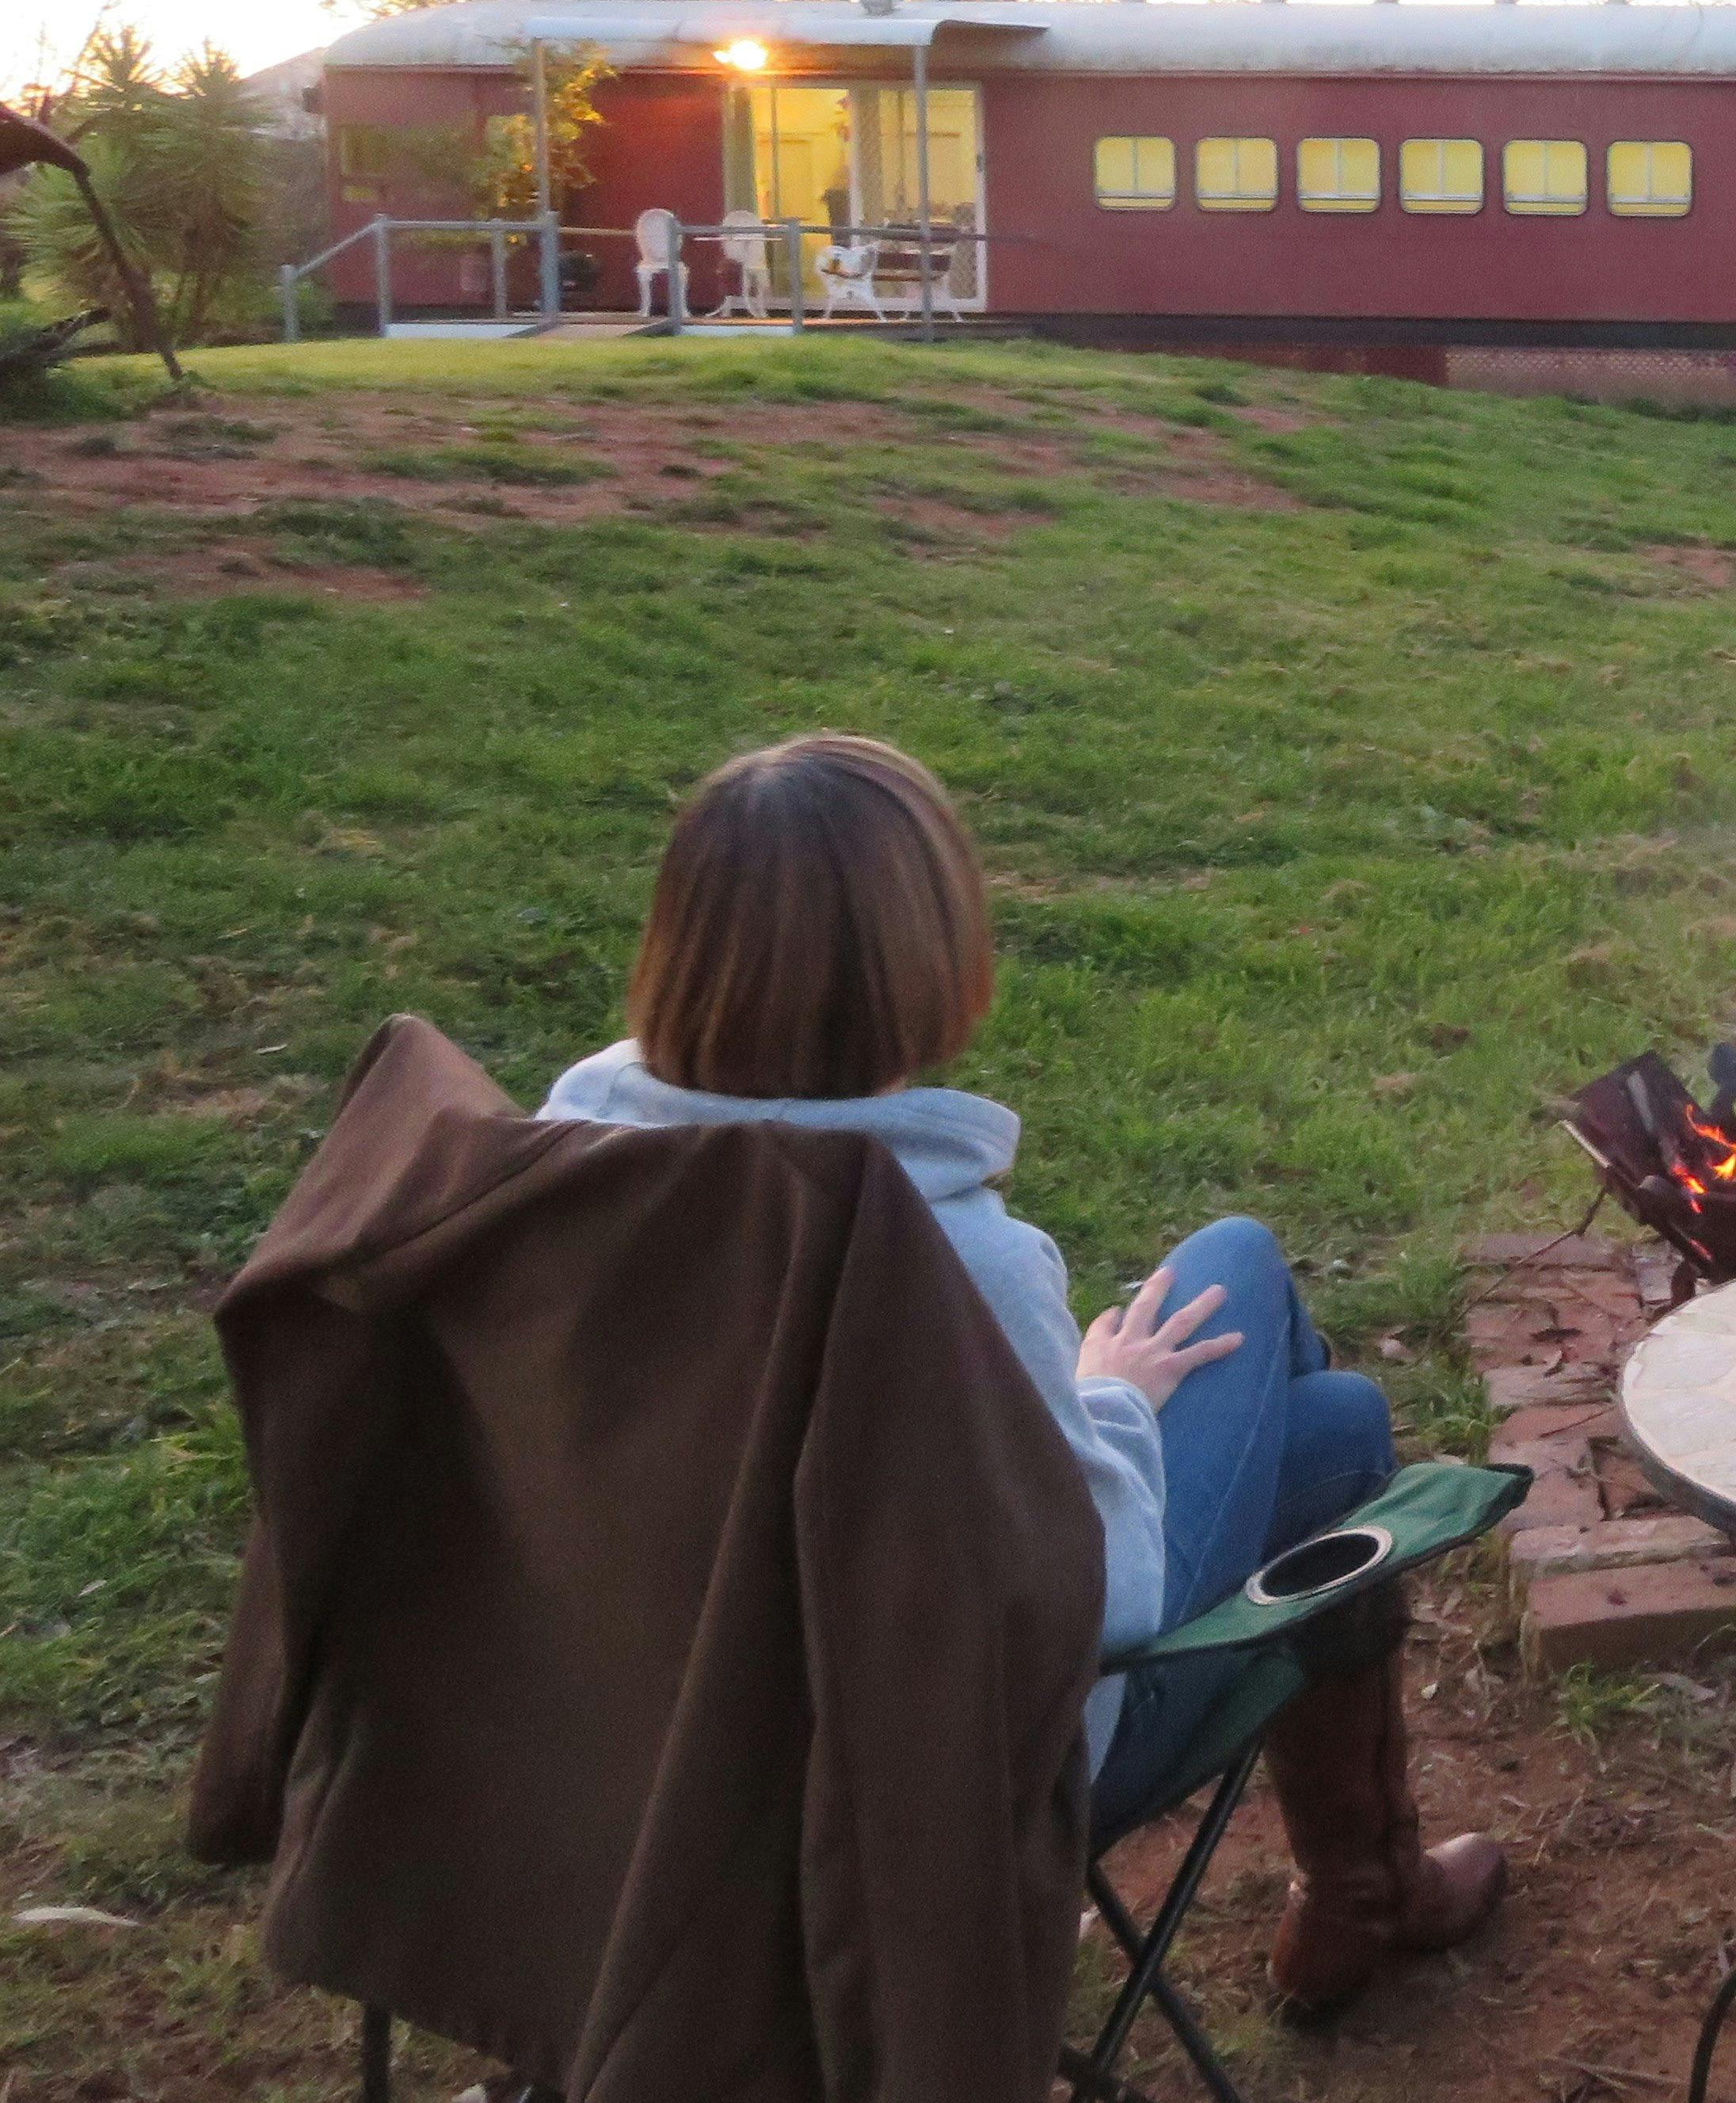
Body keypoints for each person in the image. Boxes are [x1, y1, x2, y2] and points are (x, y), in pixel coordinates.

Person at [542, 733, 1503, 2016]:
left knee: (1333, 1430)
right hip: (942, 1792)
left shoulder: (553, 1179)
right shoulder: (940, 1260)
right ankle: (1366, 1896)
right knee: (1250, 1280)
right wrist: (1107, 1396)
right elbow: (1099, 1597)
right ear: (928, 964)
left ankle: (1367, 1892)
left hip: (617, 1761)